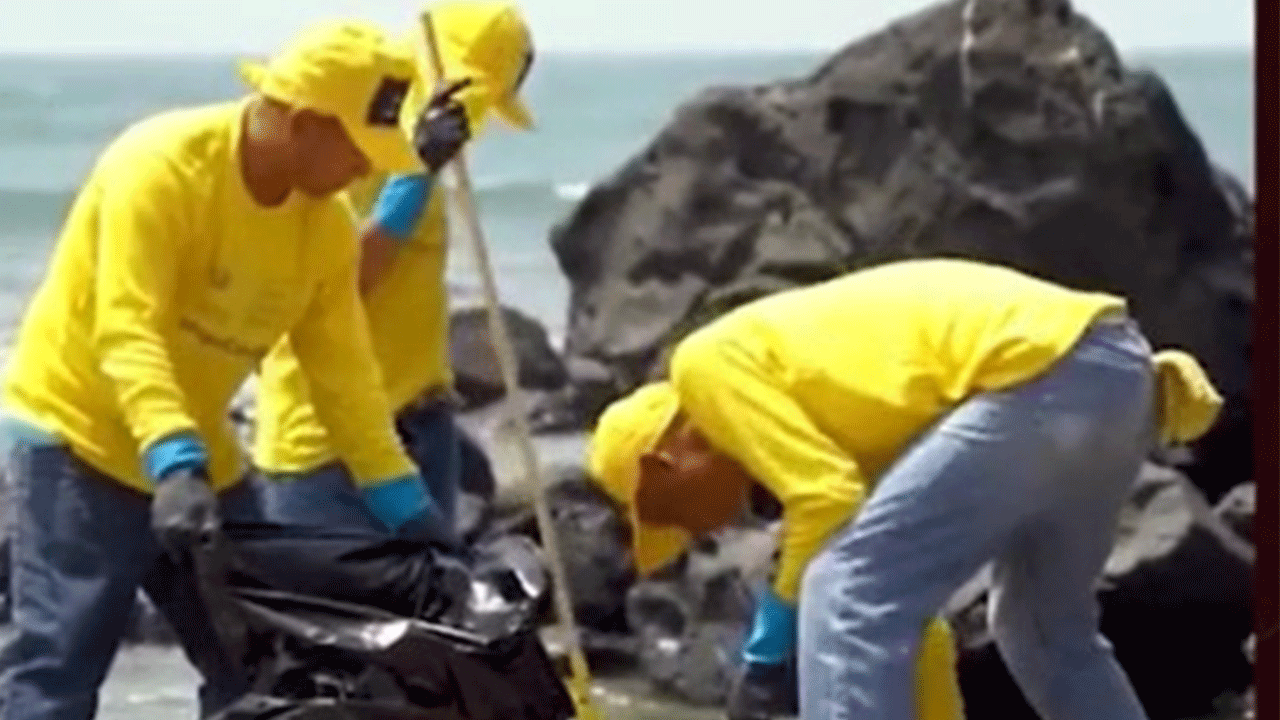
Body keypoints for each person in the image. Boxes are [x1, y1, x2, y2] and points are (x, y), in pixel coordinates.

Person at [0, 19, 450, 720]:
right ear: (302, 123)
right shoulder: (159, 168)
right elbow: (127, 328)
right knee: (59, 669)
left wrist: (407, 506)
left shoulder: (324, 226)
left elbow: (345, 378)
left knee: (259, 664)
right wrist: (173, 462)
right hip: (78, 436)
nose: (368, 170)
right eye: (360, 151)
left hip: (198, 453)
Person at [586, 258, 1223, 720]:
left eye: (673, 515)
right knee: (1042, 626)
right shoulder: (837, 419)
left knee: (842, 586)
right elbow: (916, 626)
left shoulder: (704, 367)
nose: (712, 529)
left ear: (666, 461)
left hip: (1041, 372)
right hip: (1115, 372)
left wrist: (768, 652)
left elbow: (826, 503)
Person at [249, 0, 534, 551]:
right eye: (480, 103)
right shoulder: (357, 136)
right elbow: (331, 288)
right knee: (337, 631)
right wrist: (415, 173)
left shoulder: (420, 137)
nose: (478, 125)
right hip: (329, 452)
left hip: (418, 427)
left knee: (432, 626)